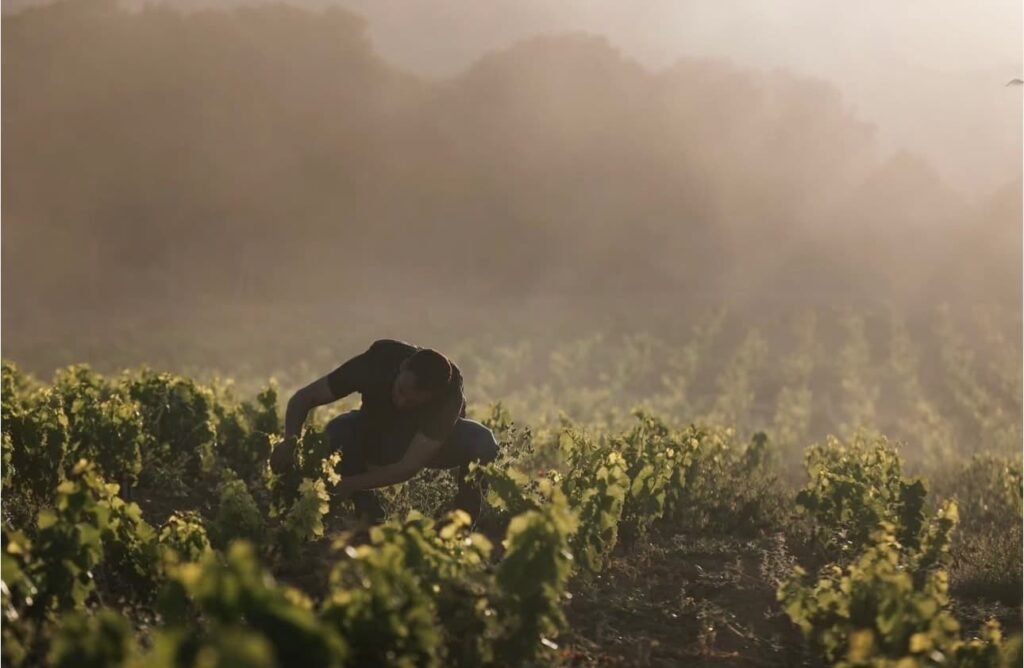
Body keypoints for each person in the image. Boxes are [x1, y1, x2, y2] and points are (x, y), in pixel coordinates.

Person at [269, 339, 499, 523]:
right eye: (400, 390)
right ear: (402, 367)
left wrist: (346, 485)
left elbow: (406, 468)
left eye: (412, 402)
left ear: (431, 397)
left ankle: (460, 526)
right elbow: (304, 398)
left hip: (426, 445)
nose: (401, 401)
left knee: (483, 441)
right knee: (339, 431)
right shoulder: (376, 363)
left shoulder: (448, 398)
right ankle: (366, 511)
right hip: (377, 434)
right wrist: (290, 440)